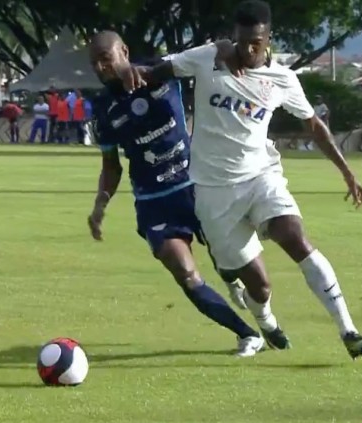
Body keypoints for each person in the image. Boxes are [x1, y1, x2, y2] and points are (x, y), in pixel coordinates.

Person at [116, 0, 362, 359]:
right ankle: (267, 322)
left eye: (255, 43)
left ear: (268, 39)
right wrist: (132, 71)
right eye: (240, 42)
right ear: (232, 37)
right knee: (259, 284)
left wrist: (347, 172)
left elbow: (314, 125)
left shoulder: (283, 79)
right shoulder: (210, 56)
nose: (247, 50)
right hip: (212, 189)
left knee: (296, 238)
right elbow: (161, 70)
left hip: (260, 177)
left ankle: (349, 331)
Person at [86, 30, 269, 357]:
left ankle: (231, 276)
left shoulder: (164, 72)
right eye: (95, 63)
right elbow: (111, 165)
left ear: (124, 51)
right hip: (154, 203)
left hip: (197, 185)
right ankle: (246, 335)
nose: (101, 68)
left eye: (106, 59)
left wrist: (228, 49)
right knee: (185, 273)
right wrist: (100, 205)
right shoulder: (102, 109)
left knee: (228, 259)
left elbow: (218, 47)